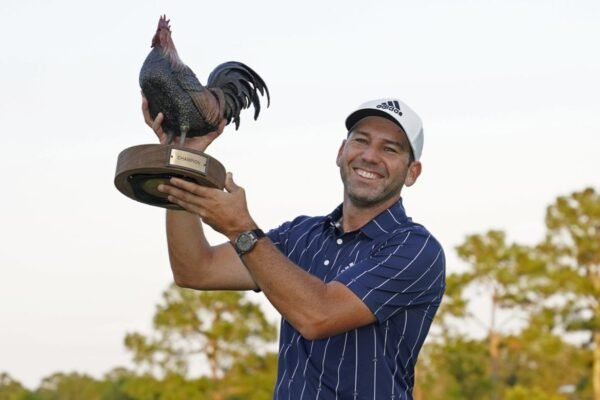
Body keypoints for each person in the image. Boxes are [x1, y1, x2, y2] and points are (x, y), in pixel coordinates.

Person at [142, 97, 446, 399]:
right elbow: (196, 270)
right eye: (361, 141)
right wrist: (182, 159)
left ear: (412, 172)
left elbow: (318, 316)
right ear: (341, 153)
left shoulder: (415, 249)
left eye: (389, 149)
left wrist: (240, 228)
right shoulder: (300, 235)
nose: (370, 156)